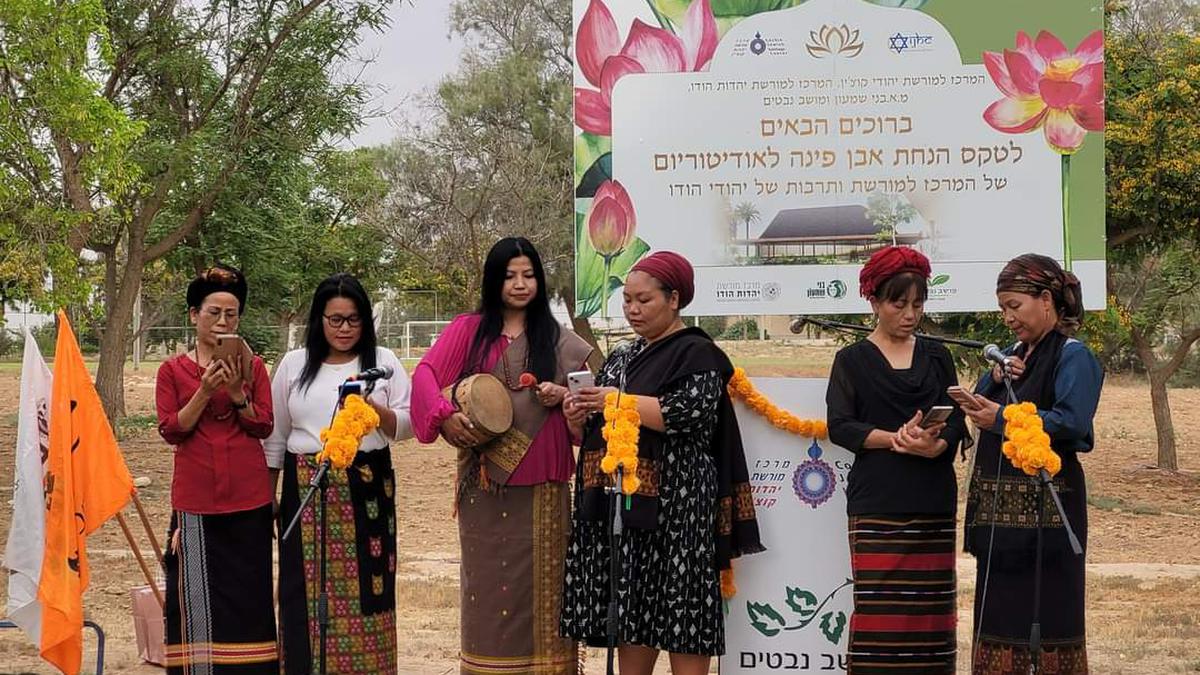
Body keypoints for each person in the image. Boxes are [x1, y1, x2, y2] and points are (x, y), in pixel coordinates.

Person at [560, 251, 763, 674]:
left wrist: (617, 400)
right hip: (627, 508)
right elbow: (600, 433)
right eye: (627, 300)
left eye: (643, 300)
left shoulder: (698, 354)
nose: (632, 309)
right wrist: (577, 417)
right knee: (634, 610)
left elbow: (687, 414)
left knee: (683, 611)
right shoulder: (620, 356)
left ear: (674, 299)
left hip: (680, 510)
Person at [409, 237, 593, 674]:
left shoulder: (561, 342)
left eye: (529, 275)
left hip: (544, 488)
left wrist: (567, 399)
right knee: (488, 589)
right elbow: (426, 375)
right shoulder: (468, 331)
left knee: (542, 592)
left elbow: (586, 426)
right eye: (510, 275)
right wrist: (445, 414)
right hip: (484, 486)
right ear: (494, 280)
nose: (520, 284)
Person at [824, 246, 969, 674]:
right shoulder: (850, 360)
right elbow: (840, 426)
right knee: (878, 614)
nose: (910, 314)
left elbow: (958, 418)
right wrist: (895, 439)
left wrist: (938, 446)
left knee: (932, 614)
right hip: (878, 503)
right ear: (874, 300)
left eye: (918, 304)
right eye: (898, 303)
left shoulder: (938, 355)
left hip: (932, 500)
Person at [266, 273, 413, 675]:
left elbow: (406, 426)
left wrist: (371, 410)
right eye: (335, 319)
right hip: (307, 485)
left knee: (371, 591)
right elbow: (276, 438)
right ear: (319, 321)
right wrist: (271, 498)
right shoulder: (295, 365)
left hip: (366, 489)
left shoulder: (383, 363)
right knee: (302, 590)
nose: (344, 328)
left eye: (353, 319)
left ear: (365, 321)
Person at [963, 254, 1102, 674]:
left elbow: (1072, 420)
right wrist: (995, 379)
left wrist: (1002, 418)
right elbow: (977, 398)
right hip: (999, 527)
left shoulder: (1074, 357)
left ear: (1046, 299)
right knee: (997, 622)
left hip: (1050, 523)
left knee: (1048, 625)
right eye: (1002, 308)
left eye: (1014, 306)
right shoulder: (1010, 356)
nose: (1007, 317)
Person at [155, 265, 278, 673]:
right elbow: (173, 430)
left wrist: (237, 393)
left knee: (250, 596)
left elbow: (263, 425)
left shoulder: (254, 366)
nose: (223, 322)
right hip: (196, 500)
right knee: (194, 598)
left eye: (232, 314)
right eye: (214, 312)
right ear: (194, 314)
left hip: (249, 497)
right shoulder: (172, 371)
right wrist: (206, 391)